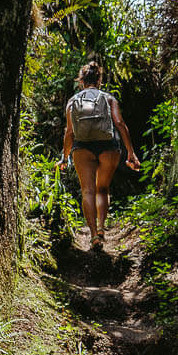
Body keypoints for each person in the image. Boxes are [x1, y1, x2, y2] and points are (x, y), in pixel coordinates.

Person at [60, 60, 139, 247]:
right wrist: (130, 153)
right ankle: (102, 228)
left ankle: (94, 236)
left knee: (87, 190)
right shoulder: (109, 98)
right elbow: (119, 123)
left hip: (82, 147)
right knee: (102, 189)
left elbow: (69, 132)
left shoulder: (73, 101)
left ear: (81, 81)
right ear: (99, 80)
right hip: (108, 147)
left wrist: (64, 157)